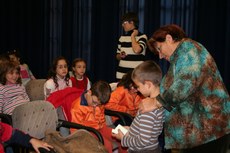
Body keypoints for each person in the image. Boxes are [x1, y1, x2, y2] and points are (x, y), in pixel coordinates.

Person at [141, 24, 230, 153]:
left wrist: (155, 102)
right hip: (196, 135)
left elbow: (185, 84)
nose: (160, 56)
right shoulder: (178, 59)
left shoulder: (190, 50)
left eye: (159, 49)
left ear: (169, 38)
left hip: (209, 132)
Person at [112, 60, 164, 153]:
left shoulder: (147, 108)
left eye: (138, 86)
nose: (137, 90)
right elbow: (147, 131)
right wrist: (131, 130)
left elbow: (143, 141)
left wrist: (123, 139)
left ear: (148, 84)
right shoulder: (159, 103)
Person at [70, 80, 127, 153]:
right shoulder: (77, 107)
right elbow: (75, 130)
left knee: (123, 138)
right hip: (88, 132)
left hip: (101, 128)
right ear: (89, 92)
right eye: (94, 102)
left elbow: (102, 121)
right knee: (107, 146)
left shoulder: (99, 102)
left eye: (98, 104)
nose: (95, 105)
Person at [44, 56, 72, 136]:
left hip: (65, 107)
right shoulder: (50, 83)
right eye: (60, 67)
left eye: (65, 66)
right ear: (55, 69)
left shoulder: (69, 81)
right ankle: (65, 139)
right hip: (52, 109)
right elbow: (48, 103)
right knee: (63, 115)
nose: (64, 69)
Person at [116, 12, 148, 80]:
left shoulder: (142, 36)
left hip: (136, 76)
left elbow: (137, 50)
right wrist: (120, 56)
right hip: (121, 75)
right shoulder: (122, 38)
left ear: (132, 22)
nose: (122, 25)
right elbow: (117, 56)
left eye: (124, 23)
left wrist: (133, 36)